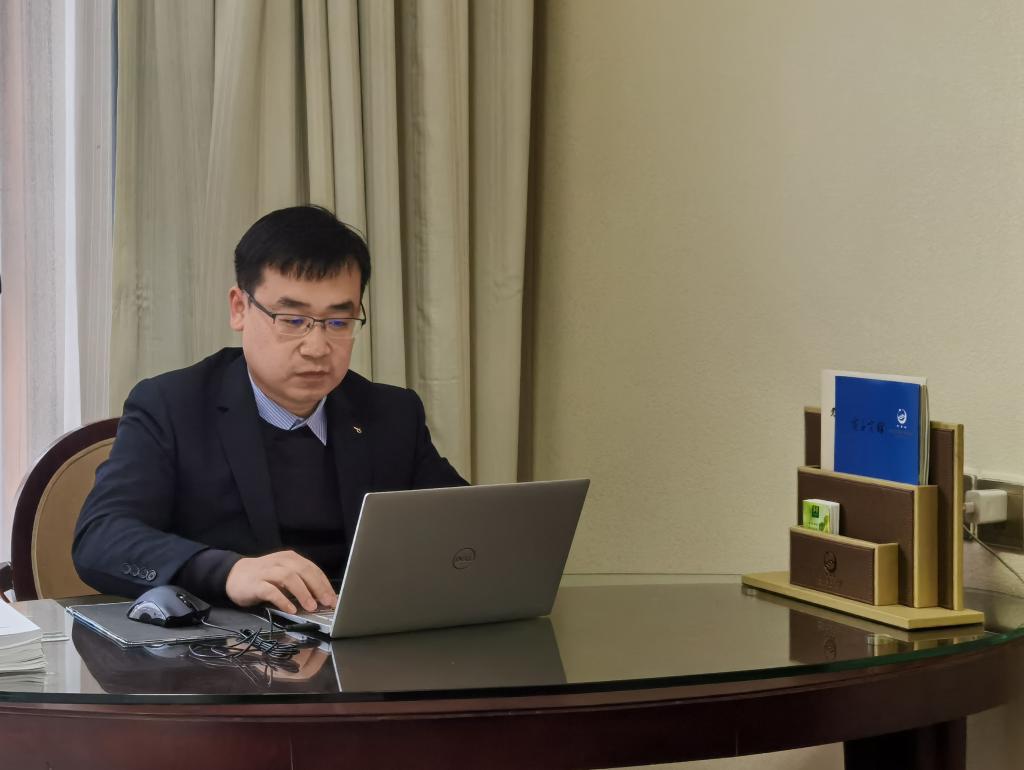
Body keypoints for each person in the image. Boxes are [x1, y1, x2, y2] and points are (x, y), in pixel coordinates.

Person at [73, 205, 466, 613]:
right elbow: (101, 537)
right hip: (225, 643)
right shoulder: (172, 406)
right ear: (239, 308)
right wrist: (227, 571)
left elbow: (467, 526)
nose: (317, 347)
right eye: (292, 320)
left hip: (362, 636)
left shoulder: (392, 414)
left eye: (338, 322)